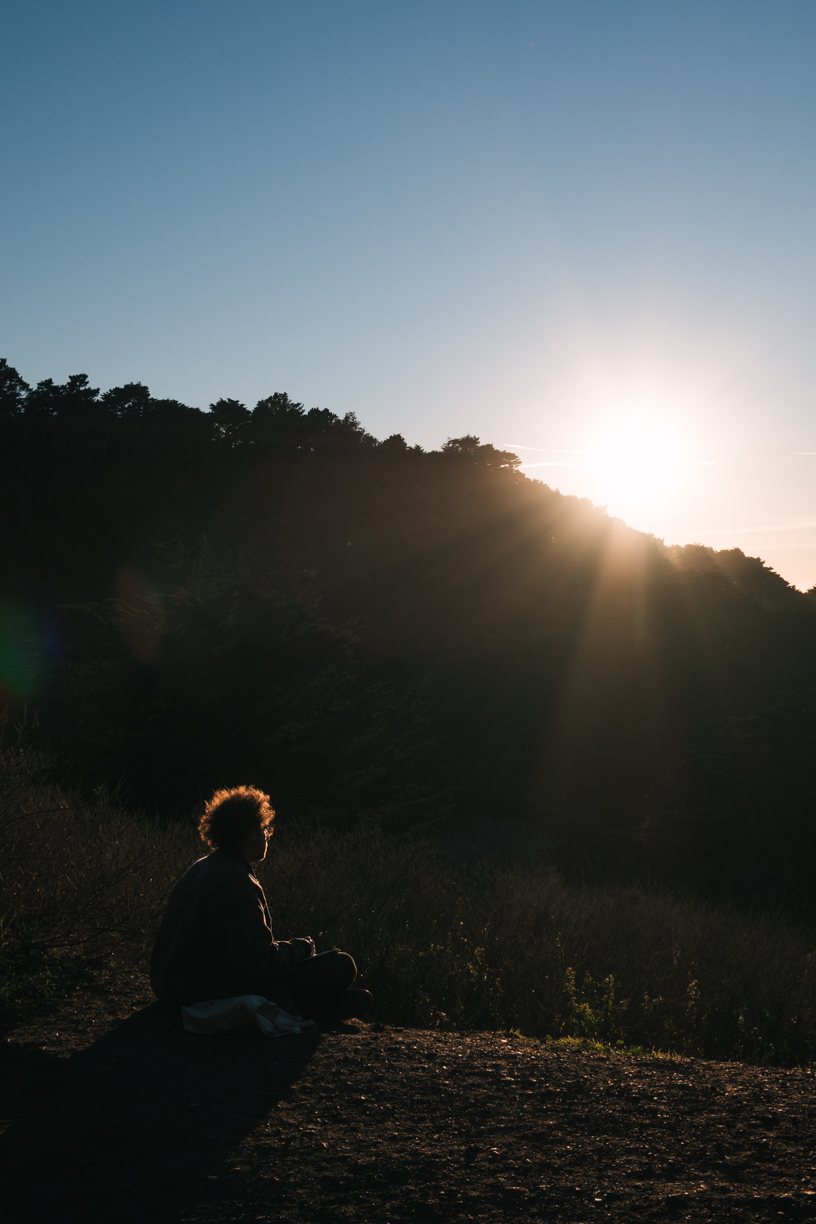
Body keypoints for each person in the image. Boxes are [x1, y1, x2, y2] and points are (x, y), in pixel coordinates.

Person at [150, 786, 372, 1023]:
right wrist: (300, 949)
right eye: (266, 829)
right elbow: (258, 964)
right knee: (342, 965)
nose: (268, 835)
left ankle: (317, 1007)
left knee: (328, 976)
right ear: (251, 833)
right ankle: (313, 1010)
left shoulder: (202, 868)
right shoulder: (235, 880)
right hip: (207, 992)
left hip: (175, 987)